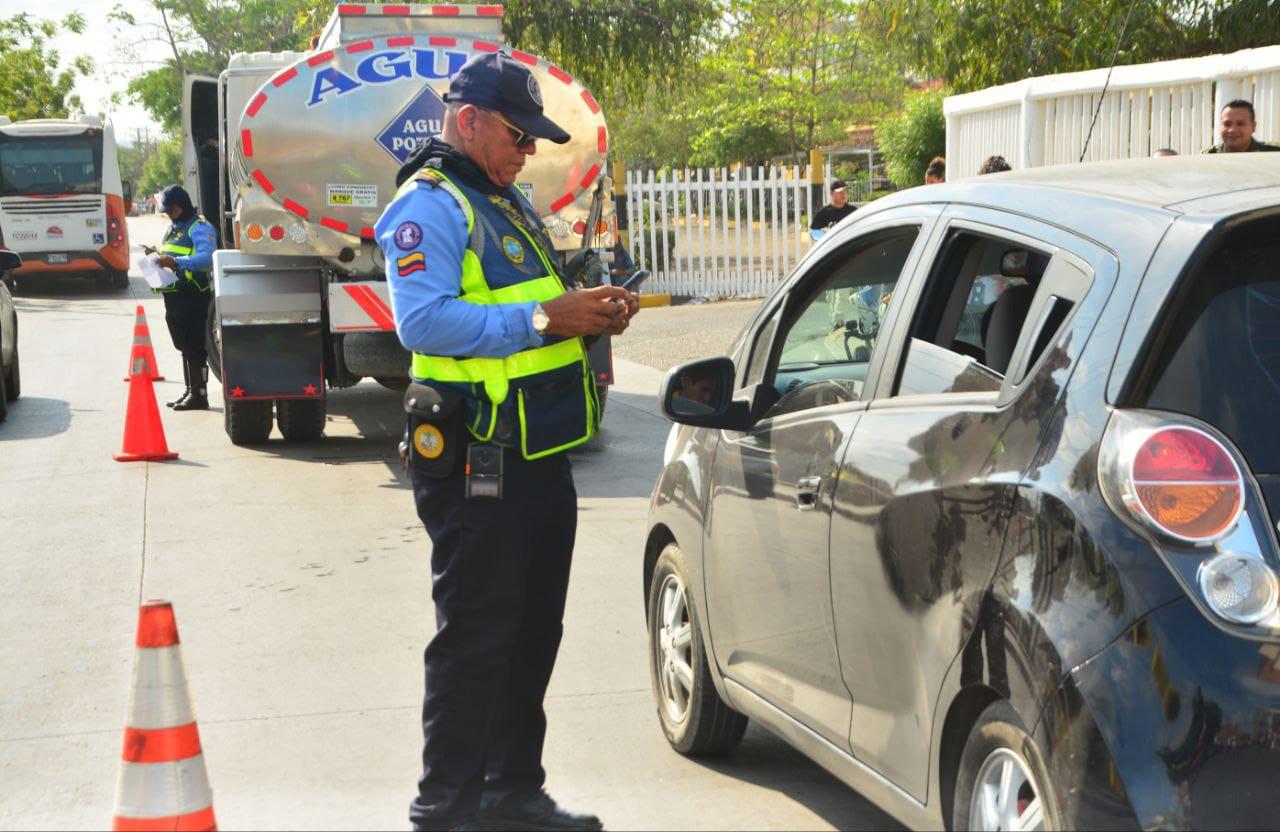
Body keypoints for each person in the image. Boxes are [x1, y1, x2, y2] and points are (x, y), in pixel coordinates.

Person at [374, 51, 638, 832]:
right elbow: (421, 322)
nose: (529, 150)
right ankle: (445, 810)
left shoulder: (507, 200)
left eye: (533, 140)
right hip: (474, 458)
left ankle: (513, 791)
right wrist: (546, 319)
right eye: (518, 135)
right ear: (469, 122)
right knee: (477, 637)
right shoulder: (431, 206)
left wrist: (588, 308)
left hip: (537, 451)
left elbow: (539, 302)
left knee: (532, 629)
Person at [144, 185, 216, 410]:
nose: (168, 214)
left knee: (195, 346)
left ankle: (199, 394)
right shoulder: (174, 227)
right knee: (183, 344)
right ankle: (189, 390)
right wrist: (156, 254)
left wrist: (176, 262)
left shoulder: (199, 227)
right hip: (174, 293)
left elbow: (208, 258)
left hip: (193, 294)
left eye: (172, 209)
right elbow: (172, 250)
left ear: (182, 205)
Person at [1202, 100, 1280, 154]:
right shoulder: (1208, 157)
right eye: (1227, 124)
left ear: (1253, 127)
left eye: (1240, 124)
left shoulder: (1273, 155)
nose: (1232, 130)